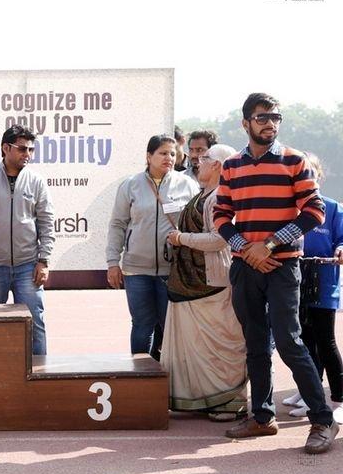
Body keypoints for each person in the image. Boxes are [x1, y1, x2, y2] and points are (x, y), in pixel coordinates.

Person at [214, 92, 338, 454]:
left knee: (289, 341)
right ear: (246, 123)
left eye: (275, 117)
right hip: (245, 267)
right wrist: (245, 250)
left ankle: (322, 420)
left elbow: (313, 211)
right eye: (262, 117)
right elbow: (221, 215)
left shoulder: (295, 161)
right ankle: (262, 417)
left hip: (283, 266)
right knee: (254, 345)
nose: (270, 123)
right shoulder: (232, 166)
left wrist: (266, 246)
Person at [160, 144, 247, 421]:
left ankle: (229, 401)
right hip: (189, 283)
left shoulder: (221, 196)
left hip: (213, 282)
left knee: (220, 344)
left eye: (205, 158)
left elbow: (220, 239)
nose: (198, 162)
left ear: (219, 165)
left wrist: (180, 238)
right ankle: (203, 399)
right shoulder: (204, 194)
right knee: (196, 345)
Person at [106, 135, 199, 360]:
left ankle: (173, 380)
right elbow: (117, 224)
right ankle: (140, 379)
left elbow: (197, 224)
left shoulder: (187, 185)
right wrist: (112, 263)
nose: (169, 158)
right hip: (136, 270)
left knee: (172, 327)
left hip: (173, 270)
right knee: (141, 324)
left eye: (173, 154)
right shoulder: (130, 185)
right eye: (163, 153)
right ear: (149, 156)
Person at [0, 125, 54, 355]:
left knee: (35, 325)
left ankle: (40, 376)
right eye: (22, 149)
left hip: (28, 267)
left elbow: (46, 222)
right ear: (5, 148)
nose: (27, 154)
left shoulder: (37, 182)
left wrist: (44, 260)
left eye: (31, 149)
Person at [282, 153, 343, 424]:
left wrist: (340, 249)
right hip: (296, 278)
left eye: (311, 175)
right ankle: (310, 392)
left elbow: (341, 240)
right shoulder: (290, 208)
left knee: (326, 341)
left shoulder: (332, 208)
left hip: (324, 280)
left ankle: (339, 398)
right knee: (305, 339)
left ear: (319, 177)